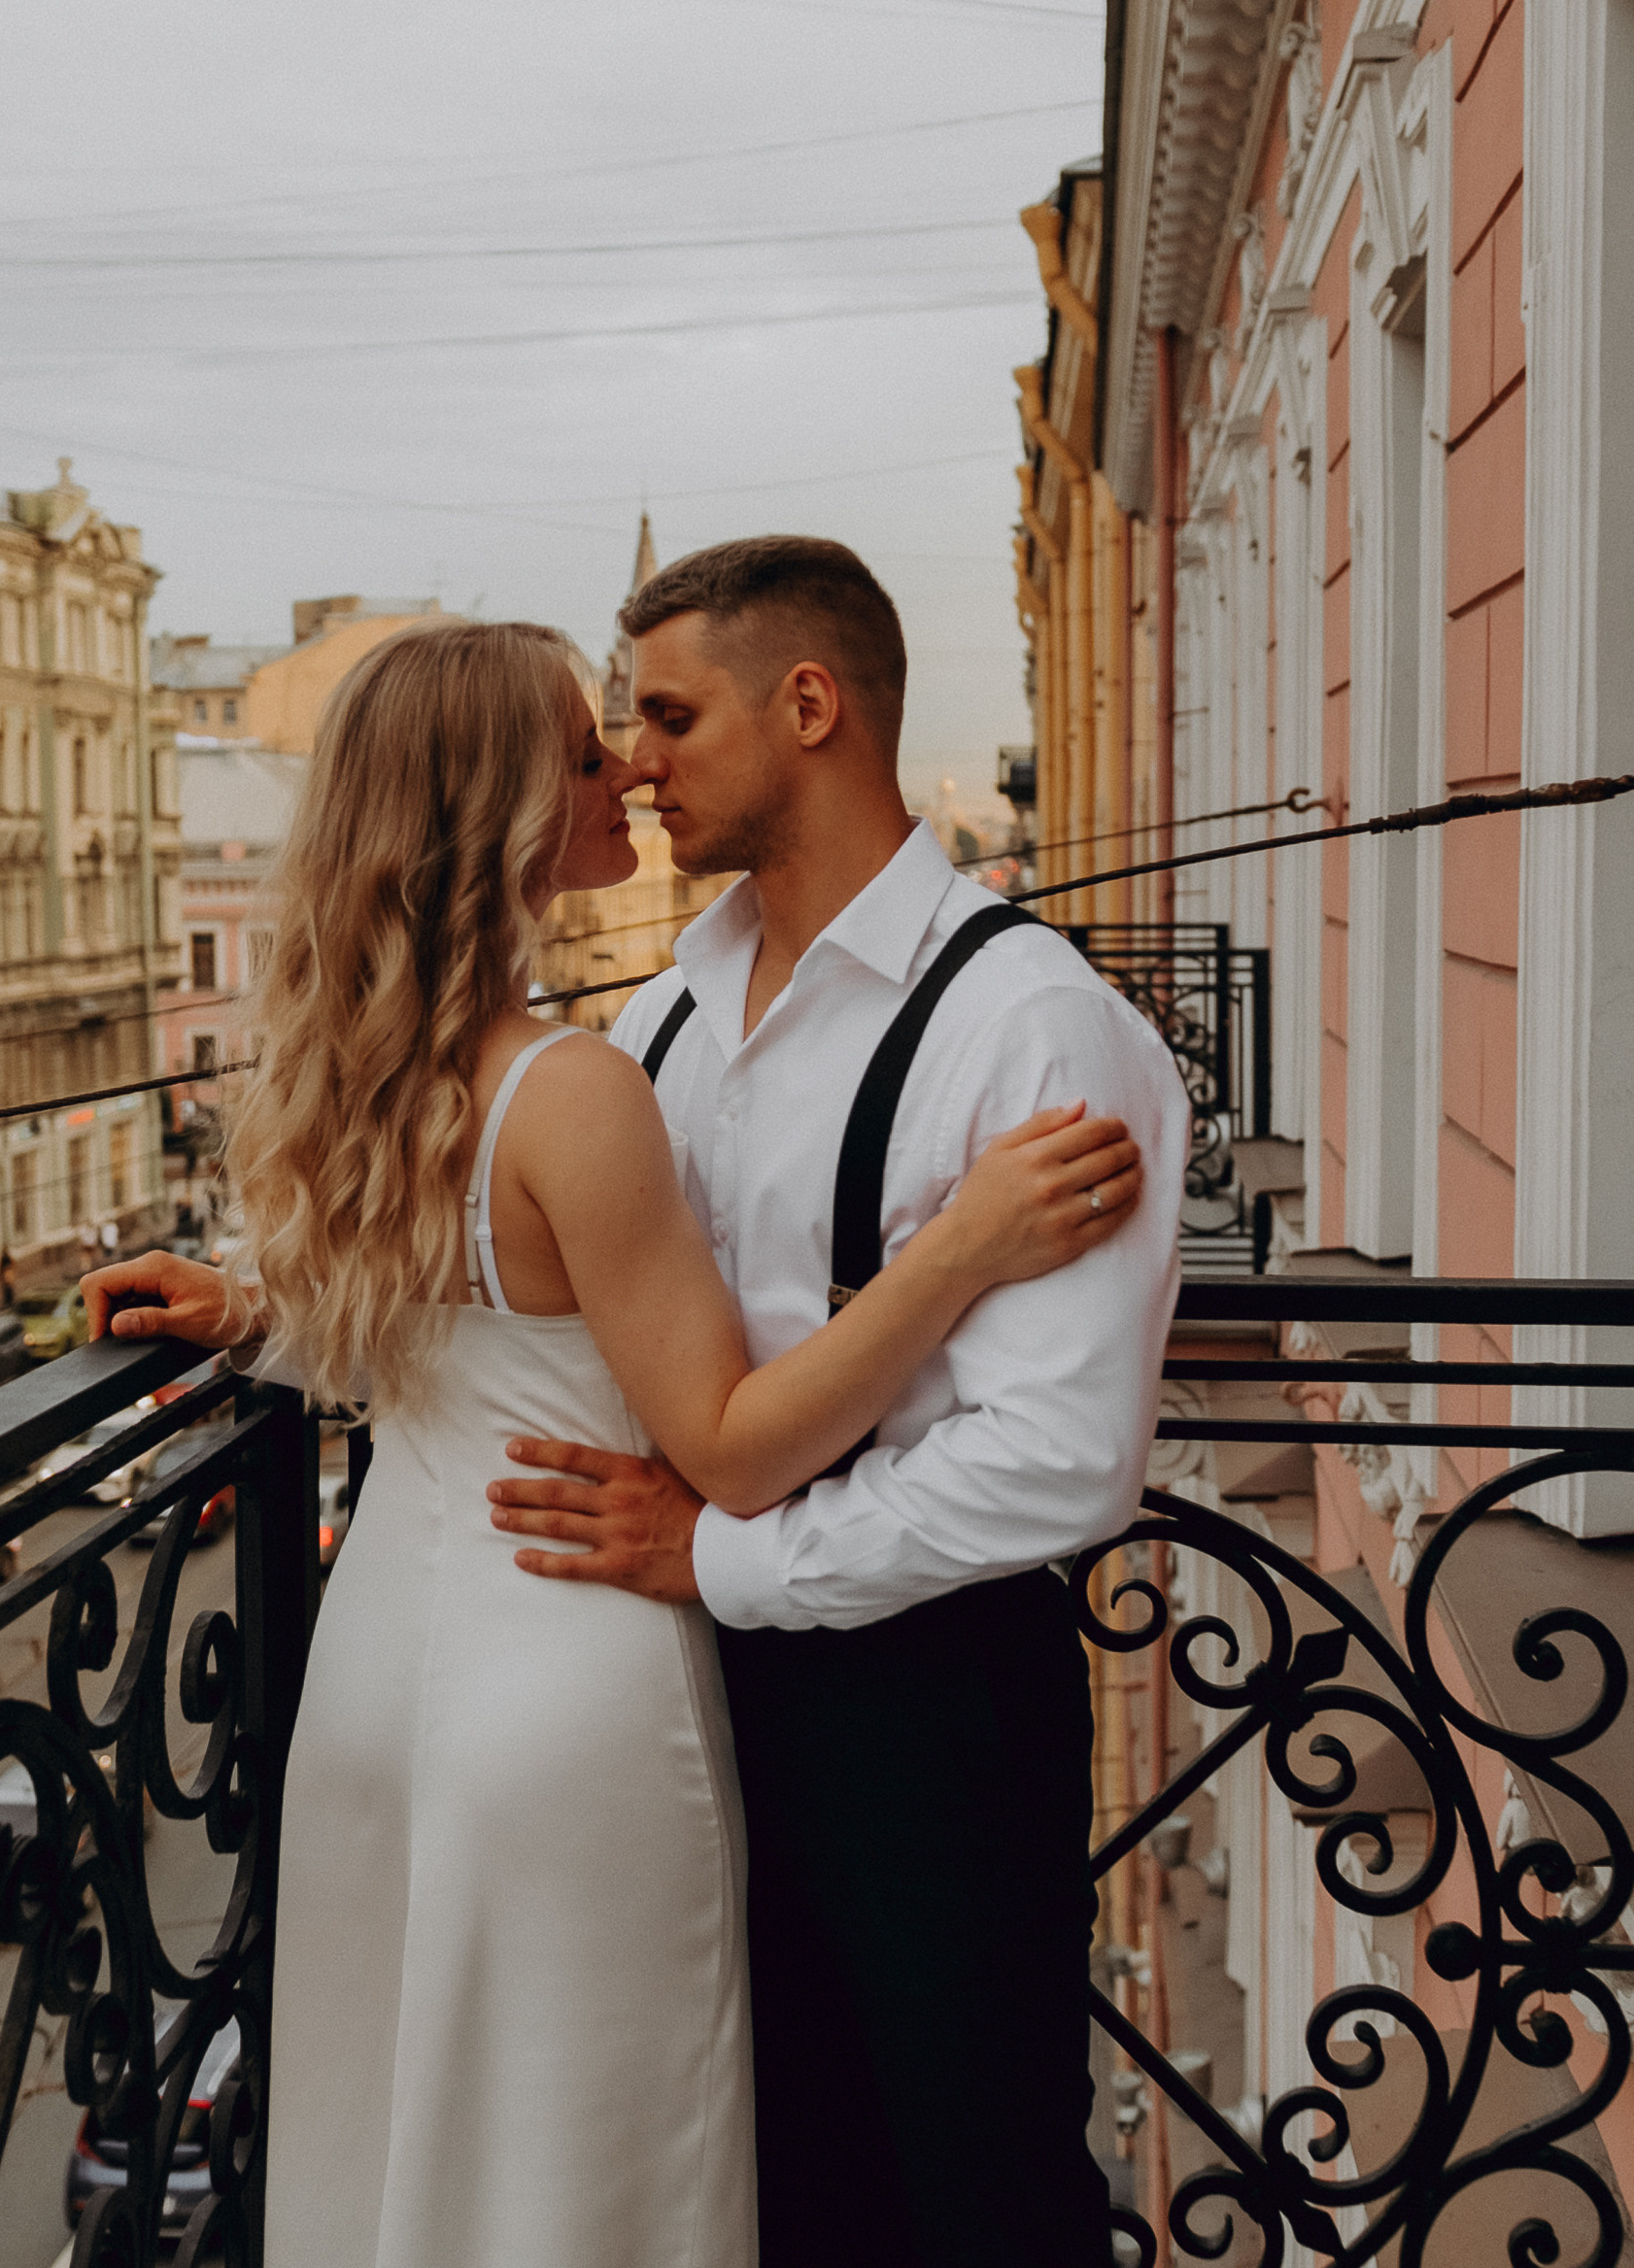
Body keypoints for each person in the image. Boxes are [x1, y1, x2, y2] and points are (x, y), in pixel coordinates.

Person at [81, 617, 1146, 2268]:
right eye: (592, 748)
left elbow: (446, 1308)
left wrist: (251, 1314)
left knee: (407, 2141)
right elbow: (723, 1443)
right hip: (570, 1672)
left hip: (378, 1674)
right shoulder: (589, 1070)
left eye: (644, 726)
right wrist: (959, 1248)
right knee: (590, 2171)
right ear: (503, 808)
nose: (625, 768)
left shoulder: (379, 1064)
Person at [485, 537, 1190, 2267]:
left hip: (925, 1706)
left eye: (665, 713)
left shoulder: (1029, 1025)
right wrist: (265, 1307)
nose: (631, 758)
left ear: (809, 705)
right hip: (681, 1683)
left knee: (974, 2178)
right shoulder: (670, 1007)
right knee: (764, 2166)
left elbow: (1056, 1464)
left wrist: (719, 1561)